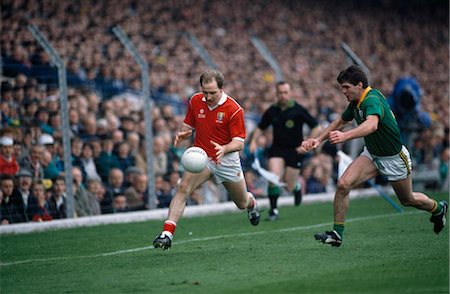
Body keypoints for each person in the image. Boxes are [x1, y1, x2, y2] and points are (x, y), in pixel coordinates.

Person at [301, 65, 448, 247]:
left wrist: (345, 136)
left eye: (346, 87)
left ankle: (438, 208)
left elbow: (371, 126)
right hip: (372, 154)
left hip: (394, 158)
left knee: (407, 199)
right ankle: (336, 234)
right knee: (343, 184)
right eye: (342, 88)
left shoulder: (371, 99)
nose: (343, 91)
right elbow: (340, 121)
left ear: (359, 85)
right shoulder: (357, 102)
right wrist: (318, 139)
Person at [153, 69, 260, 250]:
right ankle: (167, 234)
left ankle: (253, 203)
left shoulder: (234, 110)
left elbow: (239, 143)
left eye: (213, 92)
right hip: (202, 158)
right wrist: (183, 134)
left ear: (221, 88)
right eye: (205, 92)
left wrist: (224, 148)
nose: (208, 96)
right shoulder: (195, 100)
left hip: (226, 160)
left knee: (241, 203)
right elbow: (188, 125)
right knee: (183, 188)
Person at [249, 81, 321, 220]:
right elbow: (260, 127)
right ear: (276, 94)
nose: (283, 95)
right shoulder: (272, 110)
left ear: (290, 93)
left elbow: (315, 126)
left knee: (289, 186)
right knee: (273, 178)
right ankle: (273, 210)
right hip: (277, 149)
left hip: (295, 151)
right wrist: (253, 141)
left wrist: (308, 143)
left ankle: (297, 188)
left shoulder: (298, 109)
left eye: (285, 92)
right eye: (280, 93)